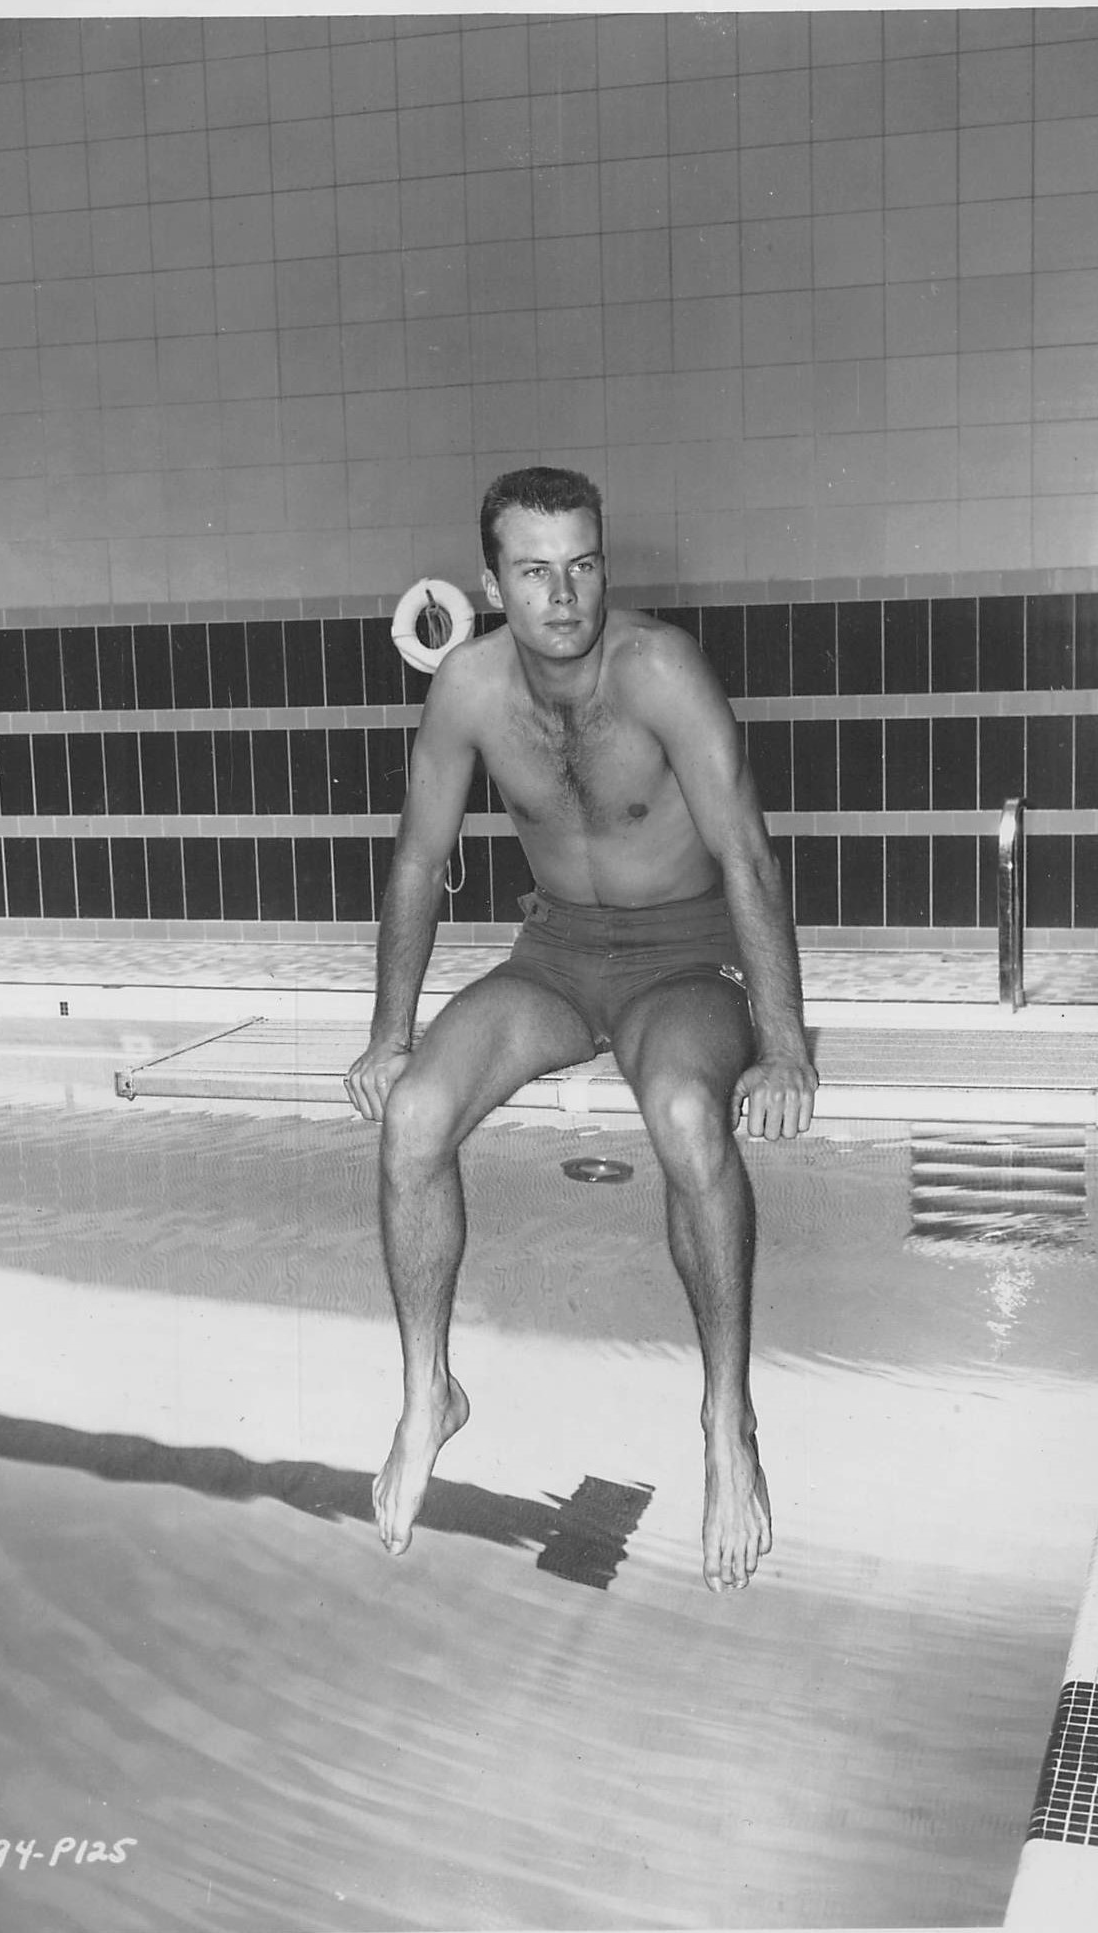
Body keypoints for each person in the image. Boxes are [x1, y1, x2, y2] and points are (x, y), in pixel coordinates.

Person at [345, 467, 818, 1592]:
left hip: (682, 957)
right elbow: (418, 859)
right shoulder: (466, 687)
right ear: (491, 582)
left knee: (688, 1113)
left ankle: (726, 1423)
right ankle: (428, 1394)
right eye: (535, 570)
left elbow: (748, 853)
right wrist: (388, 1030)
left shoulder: (660, 671)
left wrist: (787, 1040)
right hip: (556, 956)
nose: (565, 593)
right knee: (412, 1117)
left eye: (584, 563)